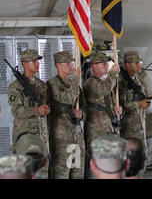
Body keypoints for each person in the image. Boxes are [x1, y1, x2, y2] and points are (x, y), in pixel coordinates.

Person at [7, 49, 50, 179]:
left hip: (41, 137)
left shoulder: (41, 85)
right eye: (33, 61)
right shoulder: (16, 87)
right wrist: (36, 111)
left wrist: (46, 110)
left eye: (38, 61)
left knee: (42, 173)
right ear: (25, 64)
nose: (37, 64)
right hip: (25, 138)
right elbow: (17, 112)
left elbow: (46, 107)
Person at [83, 50, 122, 179]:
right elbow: (104, 91)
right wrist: (113, 73)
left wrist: (118, 111)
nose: (107, 65)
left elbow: (108, 106)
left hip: (109, 129)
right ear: (94, 65)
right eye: (104, 63)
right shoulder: (90, 83)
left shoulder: (104, 82)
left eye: (107, 63)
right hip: (97, 131)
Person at [47, 51, 85, 179]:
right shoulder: (52, 84)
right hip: (61, 137)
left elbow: (84, 106)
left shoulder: (75, 85)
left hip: (76, 135)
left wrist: (81, 114)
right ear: (58, 65)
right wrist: (75, 79)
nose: (71, 65)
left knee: (77, 172)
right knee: (61, 173)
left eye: (72, 62)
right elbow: (67, 98)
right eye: (67, 63)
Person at [119, 51, 151, 177]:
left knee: (142, 160)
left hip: (140, 127)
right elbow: (119, 107)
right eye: (136, 63)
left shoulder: (138, 80)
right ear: (127, 64)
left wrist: (144, 103)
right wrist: (139, 104)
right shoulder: (121, 82)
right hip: (129, 130)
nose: (139, 65)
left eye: (140, 62)